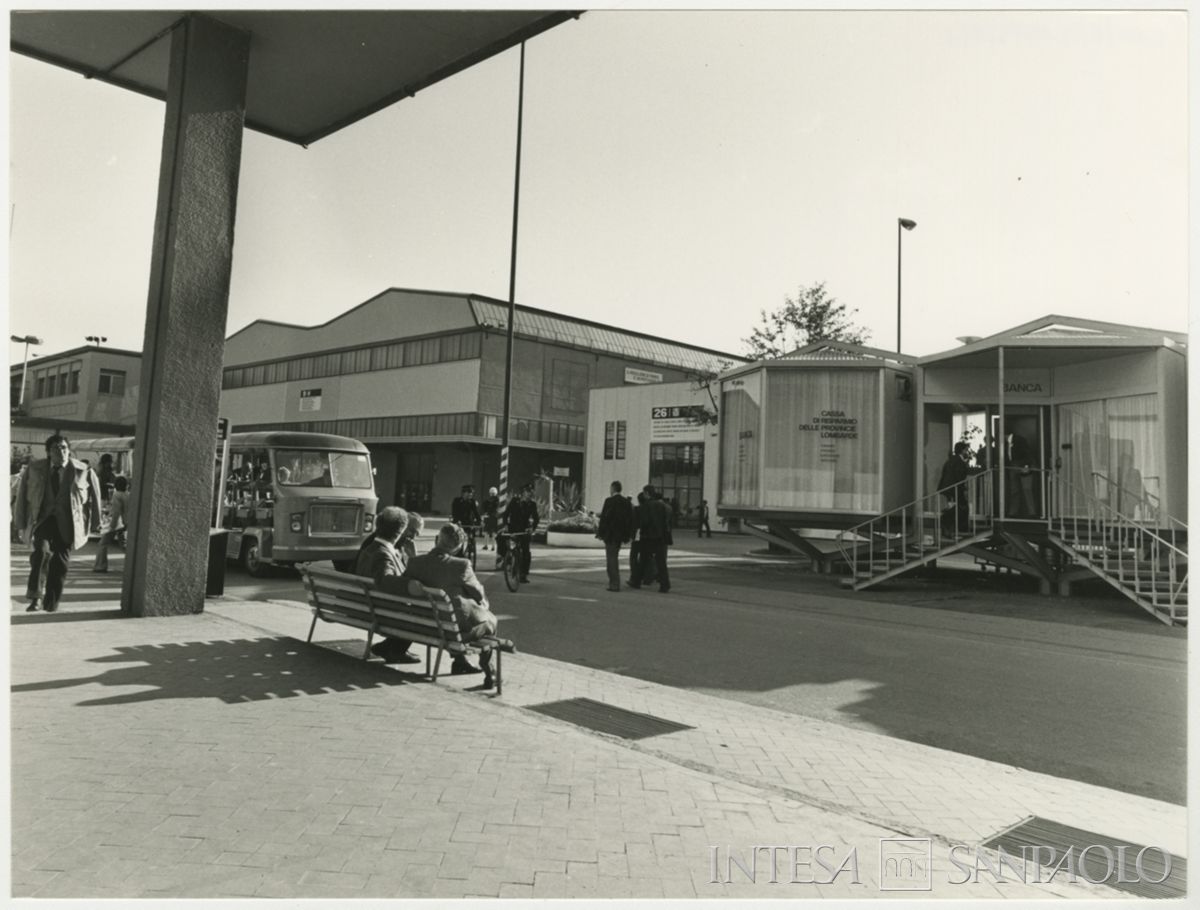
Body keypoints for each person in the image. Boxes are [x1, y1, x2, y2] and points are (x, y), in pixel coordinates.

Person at [390, 523, 499, 686]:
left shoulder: (415, 563)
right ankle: (490, 672)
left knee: (453, 615)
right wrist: (481, 605)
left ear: (436, 540)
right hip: (451, 632)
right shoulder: (461, 565)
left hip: (422, 625)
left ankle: (460, 662)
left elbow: (406, 586)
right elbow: (478, 594)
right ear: (458, 547)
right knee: (491, 621)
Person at [14, 434, 103, 613]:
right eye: (56, 448)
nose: (61, 451)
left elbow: (95, 498)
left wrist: (96, 523)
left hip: (69, 522)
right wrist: (20, 524)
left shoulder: (83, 470)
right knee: (41, 553)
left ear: (69, 451)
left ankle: (51, 602)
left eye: (64, 448)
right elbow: (22, 496)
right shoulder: (35, 468)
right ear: (48, 452)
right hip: (43, 521)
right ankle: (35, 598)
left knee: (60, 563)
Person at [353, 505, 420, 664]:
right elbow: (385, 580)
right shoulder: (383, 554)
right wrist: (410, 584)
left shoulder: (369, 548)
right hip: (380, 611)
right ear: (401, 531)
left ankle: (389, 646)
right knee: (423, 611)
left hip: (365, 605)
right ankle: (396, 649)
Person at [628, 485, 672, 593]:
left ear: (647, 493)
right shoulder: (661, 506)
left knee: (643, 560)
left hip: (648, 537)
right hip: (660, 537)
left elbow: (644, 522)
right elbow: (665, 522)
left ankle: (636, 581)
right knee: (661, 562)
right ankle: (665, 584)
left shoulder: (646, 506)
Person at [596, 481, 634, 592]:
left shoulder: (609, 501)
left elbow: (604, 518)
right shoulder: (626, 502)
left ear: (613, 488)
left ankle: (614, 583)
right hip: (620, 535)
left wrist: (600, 533)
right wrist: (627, 535)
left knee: (611, 559)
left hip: (610, 534)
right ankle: (614, 582)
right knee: (614, 556)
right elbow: (629, 520)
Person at [498, 485, 538, 581]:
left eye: (531, 492)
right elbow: (506, 514)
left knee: (526, 552)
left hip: (524, 530)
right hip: (512, 528)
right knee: (500, 538)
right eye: (527, 491)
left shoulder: (532, 504)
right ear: (523, 492)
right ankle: (505, 557)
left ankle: (523, 574)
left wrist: (532, 528)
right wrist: (506, 525)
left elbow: (536, 518)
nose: (529, 493)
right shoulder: (514, 501)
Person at [92, 475, 130, 572]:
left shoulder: (116, 495)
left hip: (117, 523)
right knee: (124, 544)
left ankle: (100, 566)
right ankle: (133, 563)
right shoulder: (128, 494)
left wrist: (111, 525)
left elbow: (116, 511)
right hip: (126, 522)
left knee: (103, 543)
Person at [937, 442, 974, 535]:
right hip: (954, 488)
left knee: (957, 507)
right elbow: (959, 477)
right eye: (966, 450)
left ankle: (951, 526)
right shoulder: (959, 461)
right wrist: (963, 488)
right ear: (962, 451)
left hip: (948, 488)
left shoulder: (950, 460)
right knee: (963, 507)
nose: (967, 452)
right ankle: (957, 527)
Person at [1004, 431, 1035, 518]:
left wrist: (1026, 466)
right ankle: (1013, 512)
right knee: (1014, 490)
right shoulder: (1005, 444)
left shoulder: (1019, 440)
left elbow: (1028, 453)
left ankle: (1031, 512)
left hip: (1022, 465)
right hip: (1012, 466)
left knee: (1027, 489)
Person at [481, 486, 500, 551]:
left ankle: (486, 545)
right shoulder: (498, 500)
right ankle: (492, 546)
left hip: (489, 517)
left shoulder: (487, 501)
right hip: (494, 518)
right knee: (493, 533)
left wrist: (485, 513)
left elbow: (483, 508)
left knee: (487, 532)